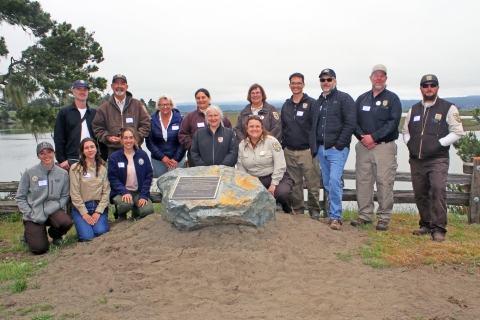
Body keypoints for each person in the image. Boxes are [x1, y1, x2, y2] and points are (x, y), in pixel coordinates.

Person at [402, 75, 465, 242]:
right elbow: (405, 131)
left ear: (437, 87)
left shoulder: (448, 108)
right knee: (420, 192)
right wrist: (411, 145)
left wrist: (438, 144)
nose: (429, 88)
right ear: (421, 88)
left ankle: (439, 228)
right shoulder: (413, 110)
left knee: (437, 190)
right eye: (425, 85)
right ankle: (426, 224)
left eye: (432, 85)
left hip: (437, 158)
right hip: (417, 159)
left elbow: (457, 131)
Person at [352, 64, 402, 231]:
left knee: (384, 182)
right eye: (376, 75)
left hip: (384, 147)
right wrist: (363, 138)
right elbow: (354, 122)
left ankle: (383, 217)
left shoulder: (393, 99)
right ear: (370, 77)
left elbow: (393, 122)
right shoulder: (362, 99)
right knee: (363, 181)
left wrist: (374, 137)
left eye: (382, 75)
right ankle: (364, 215)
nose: (378, 78)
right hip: (363, 147)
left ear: (386, 78)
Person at [309, 69, 356, 230]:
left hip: (337, 149)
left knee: (335, 181)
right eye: (323, 80)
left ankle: (336, 217)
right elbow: (313, 126)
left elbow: (350, 123)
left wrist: (339, 144)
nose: (326, 82)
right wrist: (314, 146)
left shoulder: (344, 99)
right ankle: (331, 215)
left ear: (335, 81)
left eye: (329, 79)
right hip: (321, 149)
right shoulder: (318, 103)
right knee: (328, 183)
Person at [15, 142, 72, 255]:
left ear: (54, 153)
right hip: (34, 212)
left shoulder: (62, 173)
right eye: (42, 153)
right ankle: (28, 235)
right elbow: (20, 197)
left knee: (66, 222)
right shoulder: (29, 173)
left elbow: (65, 195)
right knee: (39, 249)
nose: (46, 156)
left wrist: (56, 206)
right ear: (38, 156)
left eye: (49, 152)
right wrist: (29, 212)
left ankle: (55, 235)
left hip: (52, 209)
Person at [281, 73, 321, 219]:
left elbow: (317, 126)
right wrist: (284, 145)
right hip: (290, 151)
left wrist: (313, 146)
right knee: (295, 184)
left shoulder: (312, 103)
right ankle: (298, 210)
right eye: (293, 83)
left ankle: (314, 210)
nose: (295, 85)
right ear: (289, 85)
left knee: (312, 183)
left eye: (298, 83)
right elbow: (283, 127)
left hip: (307, 151)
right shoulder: (286, 105)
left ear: (303, 84)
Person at [237, 116, 294, 213]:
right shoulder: (242, 145)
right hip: (254, 180)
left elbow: (280, 164)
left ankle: (288, 211)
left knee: (282, 193)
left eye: (257, 126)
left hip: (274, 176)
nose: (254, 129)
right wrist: (246, 184)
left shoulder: (272, 141)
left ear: (262, 128)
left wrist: (273, 184)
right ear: (247, 129)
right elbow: (240, 166)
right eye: (251, 126)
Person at [93, 74, 150, 158]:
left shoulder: (138, 105)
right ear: (112, 86)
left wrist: (133, 138)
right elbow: (97, 128)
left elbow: (146, 125)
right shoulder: (104, 108)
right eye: (116, 83)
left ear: (127, 87)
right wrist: (108, 137)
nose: (119, 86)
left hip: (135, 150)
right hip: (113, 152)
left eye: (122, 83)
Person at [108, 128, 154, 221]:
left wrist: (144, 195)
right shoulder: (114, 157)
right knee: (126, 204)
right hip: (122, 192)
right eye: (125, 138)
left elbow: (148, 176)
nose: (128, 140)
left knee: (148, 210)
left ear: (135, 139)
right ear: (121, 139)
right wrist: (124, 191)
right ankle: (120, 214)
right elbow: (113, 178)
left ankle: (136, 213)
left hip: (138, 191)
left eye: (131, 137)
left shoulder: (142, 155)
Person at [178, 88, 233, 167]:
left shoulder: (220, 116)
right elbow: (182, 135)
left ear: (209, 98)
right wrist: (195, 146)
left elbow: (229, 133)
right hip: (196, 159)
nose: (201, 100)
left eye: (203, 97)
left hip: (219, 158)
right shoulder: (190, 117)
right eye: (198, 98)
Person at [69, 138, 110, 242]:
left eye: (92, 147)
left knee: (101, 232)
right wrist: (84, 214)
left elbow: (106, 192)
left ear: (96, 149)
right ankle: (85, 228)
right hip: (81, 207)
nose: (90, 150)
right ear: (82, 151)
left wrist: (98, 211)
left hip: (98, 206)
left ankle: (98, 223)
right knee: (87, 237)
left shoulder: (102, 169)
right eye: (86, 148)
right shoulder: (76, 168)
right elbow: (74, 193)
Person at [54, 80, 98, 170]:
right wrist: (61, 159)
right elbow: (58, 137)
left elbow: (100, 135)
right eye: (79, 89)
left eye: (85, 89)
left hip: (92, 158)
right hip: (72, 159)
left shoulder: (94, 113)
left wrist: (103, 157)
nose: (82, 92)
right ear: (73, 92)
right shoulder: (64, 112)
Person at [146, 94, 186, 178]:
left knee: (175, 184)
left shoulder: (180, 120)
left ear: (171, 105)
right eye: (162, 104)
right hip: (158, 159)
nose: (165, 107)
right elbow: (149, 142)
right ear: (158, 106)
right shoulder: (152, 121)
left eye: (167, 104)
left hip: (177, 159)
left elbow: (183, 140)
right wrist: (163, 157)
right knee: (161, 183)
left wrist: (176, 159)